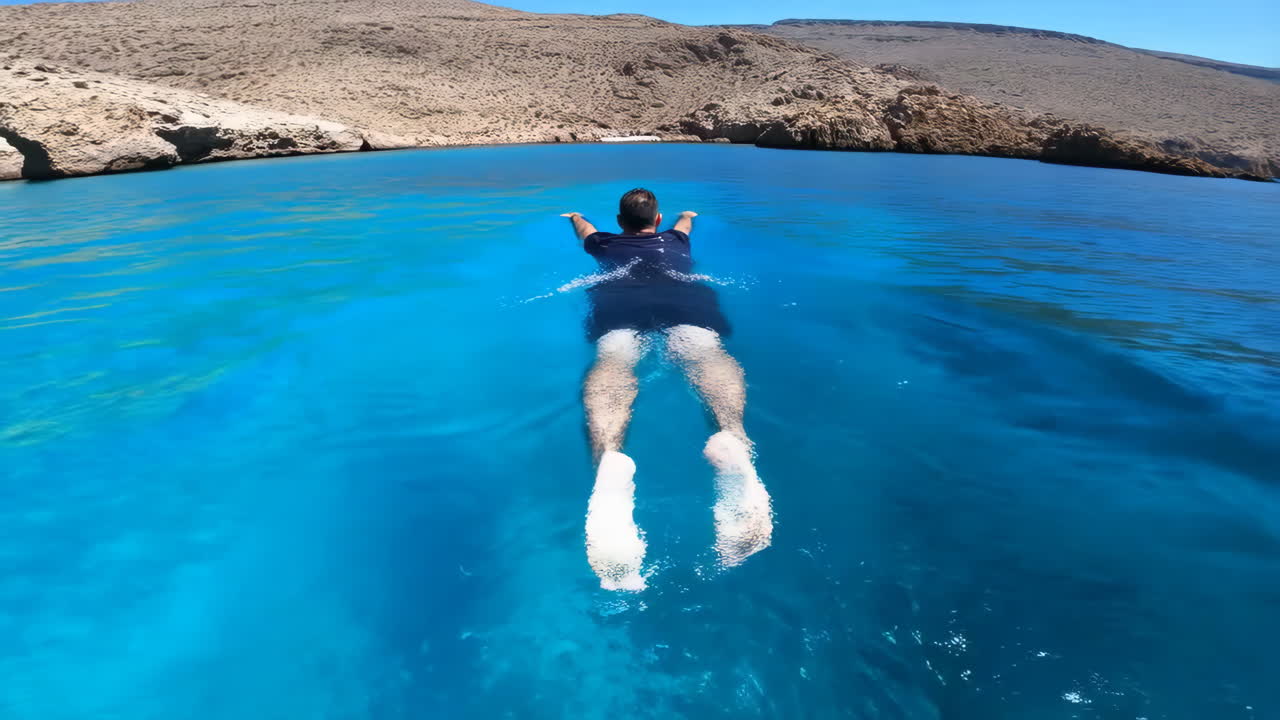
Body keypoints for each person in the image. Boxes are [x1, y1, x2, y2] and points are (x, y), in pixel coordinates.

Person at [561, 188, 773, 590]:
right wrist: (689, 213)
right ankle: (733, 436)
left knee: (614, 361)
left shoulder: (604, 242)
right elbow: (685, 223)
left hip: (618, 301)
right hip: (685, 300)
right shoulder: (675, 239)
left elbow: (584, 228)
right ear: (656, 222)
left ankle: (608, 460)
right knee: (704, 352)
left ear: (620, 223)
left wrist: (573, 216)